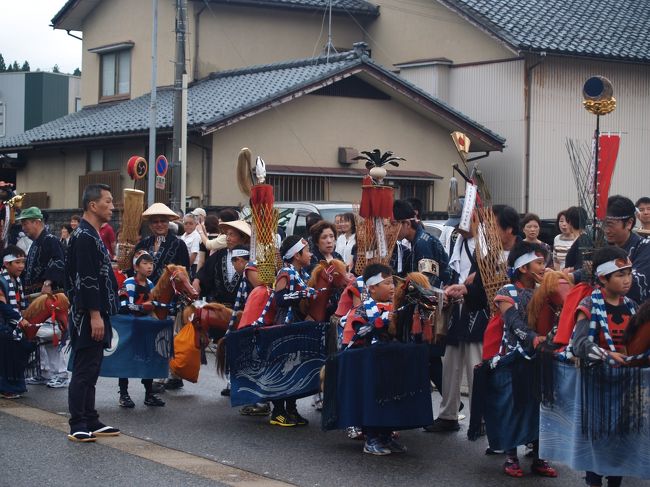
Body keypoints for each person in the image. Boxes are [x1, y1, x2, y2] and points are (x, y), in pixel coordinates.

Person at [570, 246, 636, 487]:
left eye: (629, 273)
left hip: (624, 385)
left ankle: (615, 481)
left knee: (620, 438)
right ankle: (594, 481)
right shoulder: (588, 305)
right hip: (595, 385)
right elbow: (579, 345)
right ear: (603, 278)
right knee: (596, 438)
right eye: (620, 275)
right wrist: (608, 355)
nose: (627, 279)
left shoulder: (631, 306)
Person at [491, 241, 557, 478]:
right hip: (514, 357)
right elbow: (513, 324)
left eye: (544, 262)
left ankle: (540, 457)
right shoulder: (507, 292)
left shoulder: (547, 291)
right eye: (538, 262)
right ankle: (511, 457)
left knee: (542, 408)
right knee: (515, 407)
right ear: (522, 268)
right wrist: (533, 338)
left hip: (542, 357)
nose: (543, 267)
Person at [66, 183, 120, 442]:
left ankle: (90, 417)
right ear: (92, 205)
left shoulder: (92, 233)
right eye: (108, 201)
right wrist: (95, 315)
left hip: (95, 311)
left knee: (93, 367)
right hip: (88, 314)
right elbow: (86, 279)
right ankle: (78, 422)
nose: (112, 206)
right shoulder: (84, 236)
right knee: (84, 368)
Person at [428, 207, 488, 433]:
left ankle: (479, 418)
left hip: (477, 309)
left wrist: (470, 286)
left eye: (461, 224)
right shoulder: (459, 242)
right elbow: (454, 271)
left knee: (475, 365)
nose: (458, 229)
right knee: (450, 363)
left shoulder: (487, 243)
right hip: (457, 306)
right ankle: (448, 414)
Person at [341, 263, 407, 455]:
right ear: (372, 288)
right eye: (386, 283)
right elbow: (358, 335)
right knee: (371, 399)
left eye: (393, 282)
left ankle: (386, 437)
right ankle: (371, 439)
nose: (392, 287)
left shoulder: (393, 307)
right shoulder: (362, 310)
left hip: (387, 362)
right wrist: (383, 320)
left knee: (390, 399)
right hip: (366, 365)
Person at [16, 206, 67, 388]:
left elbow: (59, 262)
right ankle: (44, 371)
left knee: (51, 333)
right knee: (38, 333)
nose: (23, 228)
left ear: (37, 222)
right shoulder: (37, 242)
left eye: (25, 223)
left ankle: (60, 373)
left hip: (47, 295)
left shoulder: (50, 240)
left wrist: (48, 282)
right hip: (34, 294)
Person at [267, 235, 315, 426]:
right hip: (284, 324)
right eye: (307, 250)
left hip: (297, 324)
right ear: (296, 255)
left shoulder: (302, 273)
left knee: (295, 367)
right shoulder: (285, 272)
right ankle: (278, 412)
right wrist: (304, 294)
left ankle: (291, 409)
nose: (311, 254)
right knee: (283, 368)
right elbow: (279, 299)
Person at [116, 250, 165, 408]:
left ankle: (149, 394)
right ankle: (123, 394)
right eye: (145, 263)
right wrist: (142, 307)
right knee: (126, 360)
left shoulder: (151, 284)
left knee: (149, 359)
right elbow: (123, 305)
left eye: (151, 263)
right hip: (131, 326)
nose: (149, 267)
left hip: (146, 326)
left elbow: (153, 305)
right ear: (136, 267)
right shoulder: (129, 283)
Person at [0, 246, 33, 399]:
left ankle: (16, 385)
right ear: (6, 264)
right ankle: (7, 387)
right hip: (4, 325)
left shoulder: (17, 280)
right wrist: (19, 319)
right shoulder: (1, 280)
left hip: (13, 323)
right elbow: (2, 305)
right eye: (17, 262)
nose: (21, 266)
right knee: (7, 356)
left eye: (23, 262)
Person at [134, 202, 190, 284]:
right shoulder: (143, 244)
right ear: (150, 225)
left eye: (163, 221)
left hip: (170, 293)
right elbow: (134, 268)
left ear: (168, 223)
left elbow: (185, 272)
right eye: (155, 222)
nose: (159, 224)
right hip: (144, 293)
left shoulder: (179, 245)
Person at [563, 206, 591, 271]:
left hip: (577, 279)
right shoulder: (584, 238)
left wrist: (568, 269)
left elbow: (581, 265)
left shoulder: (582, 240)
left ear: (569, 222)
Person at [180, 213, 201, 278]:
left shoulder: (196, 236)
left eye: (191, 223)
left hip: (192, 266)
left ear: (195, 224)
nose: (188, 225)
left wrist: (186, 268)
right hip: (183, 265)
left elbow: (194, 254)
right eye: (186, 223)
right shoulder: (183, 236)